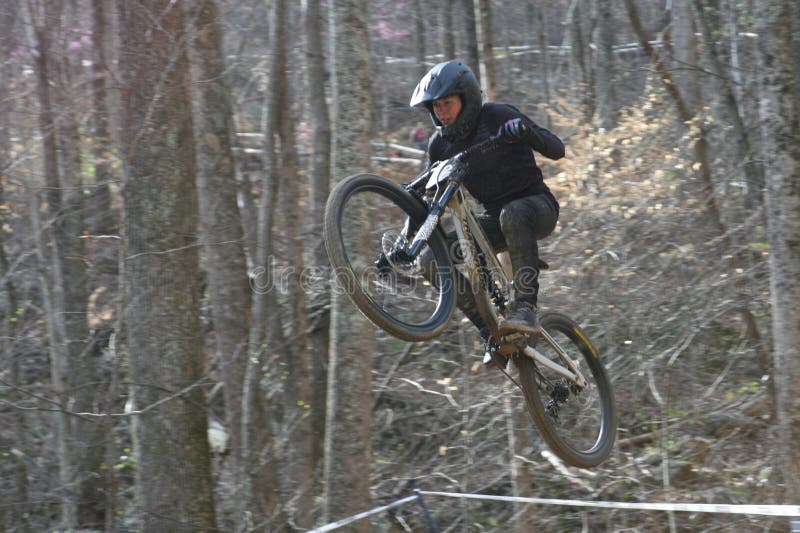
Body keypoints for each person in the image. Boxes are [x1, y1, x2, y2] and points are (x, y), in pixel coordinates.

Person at [409, 59, 564, 342]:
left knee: (513, 213)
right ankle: (488, 329)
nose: (441, 112)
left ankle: (525, 307)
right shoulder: (439, 145)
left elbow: (557, 150)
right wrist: (406, 243)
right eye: (436, 106)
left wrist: (525, 131)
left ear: (466, 98)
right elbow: (429, 199)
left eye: (447, 103)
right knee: (431, 258)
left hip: (537, 206)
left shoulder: (498, 115)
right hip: (492, 220)